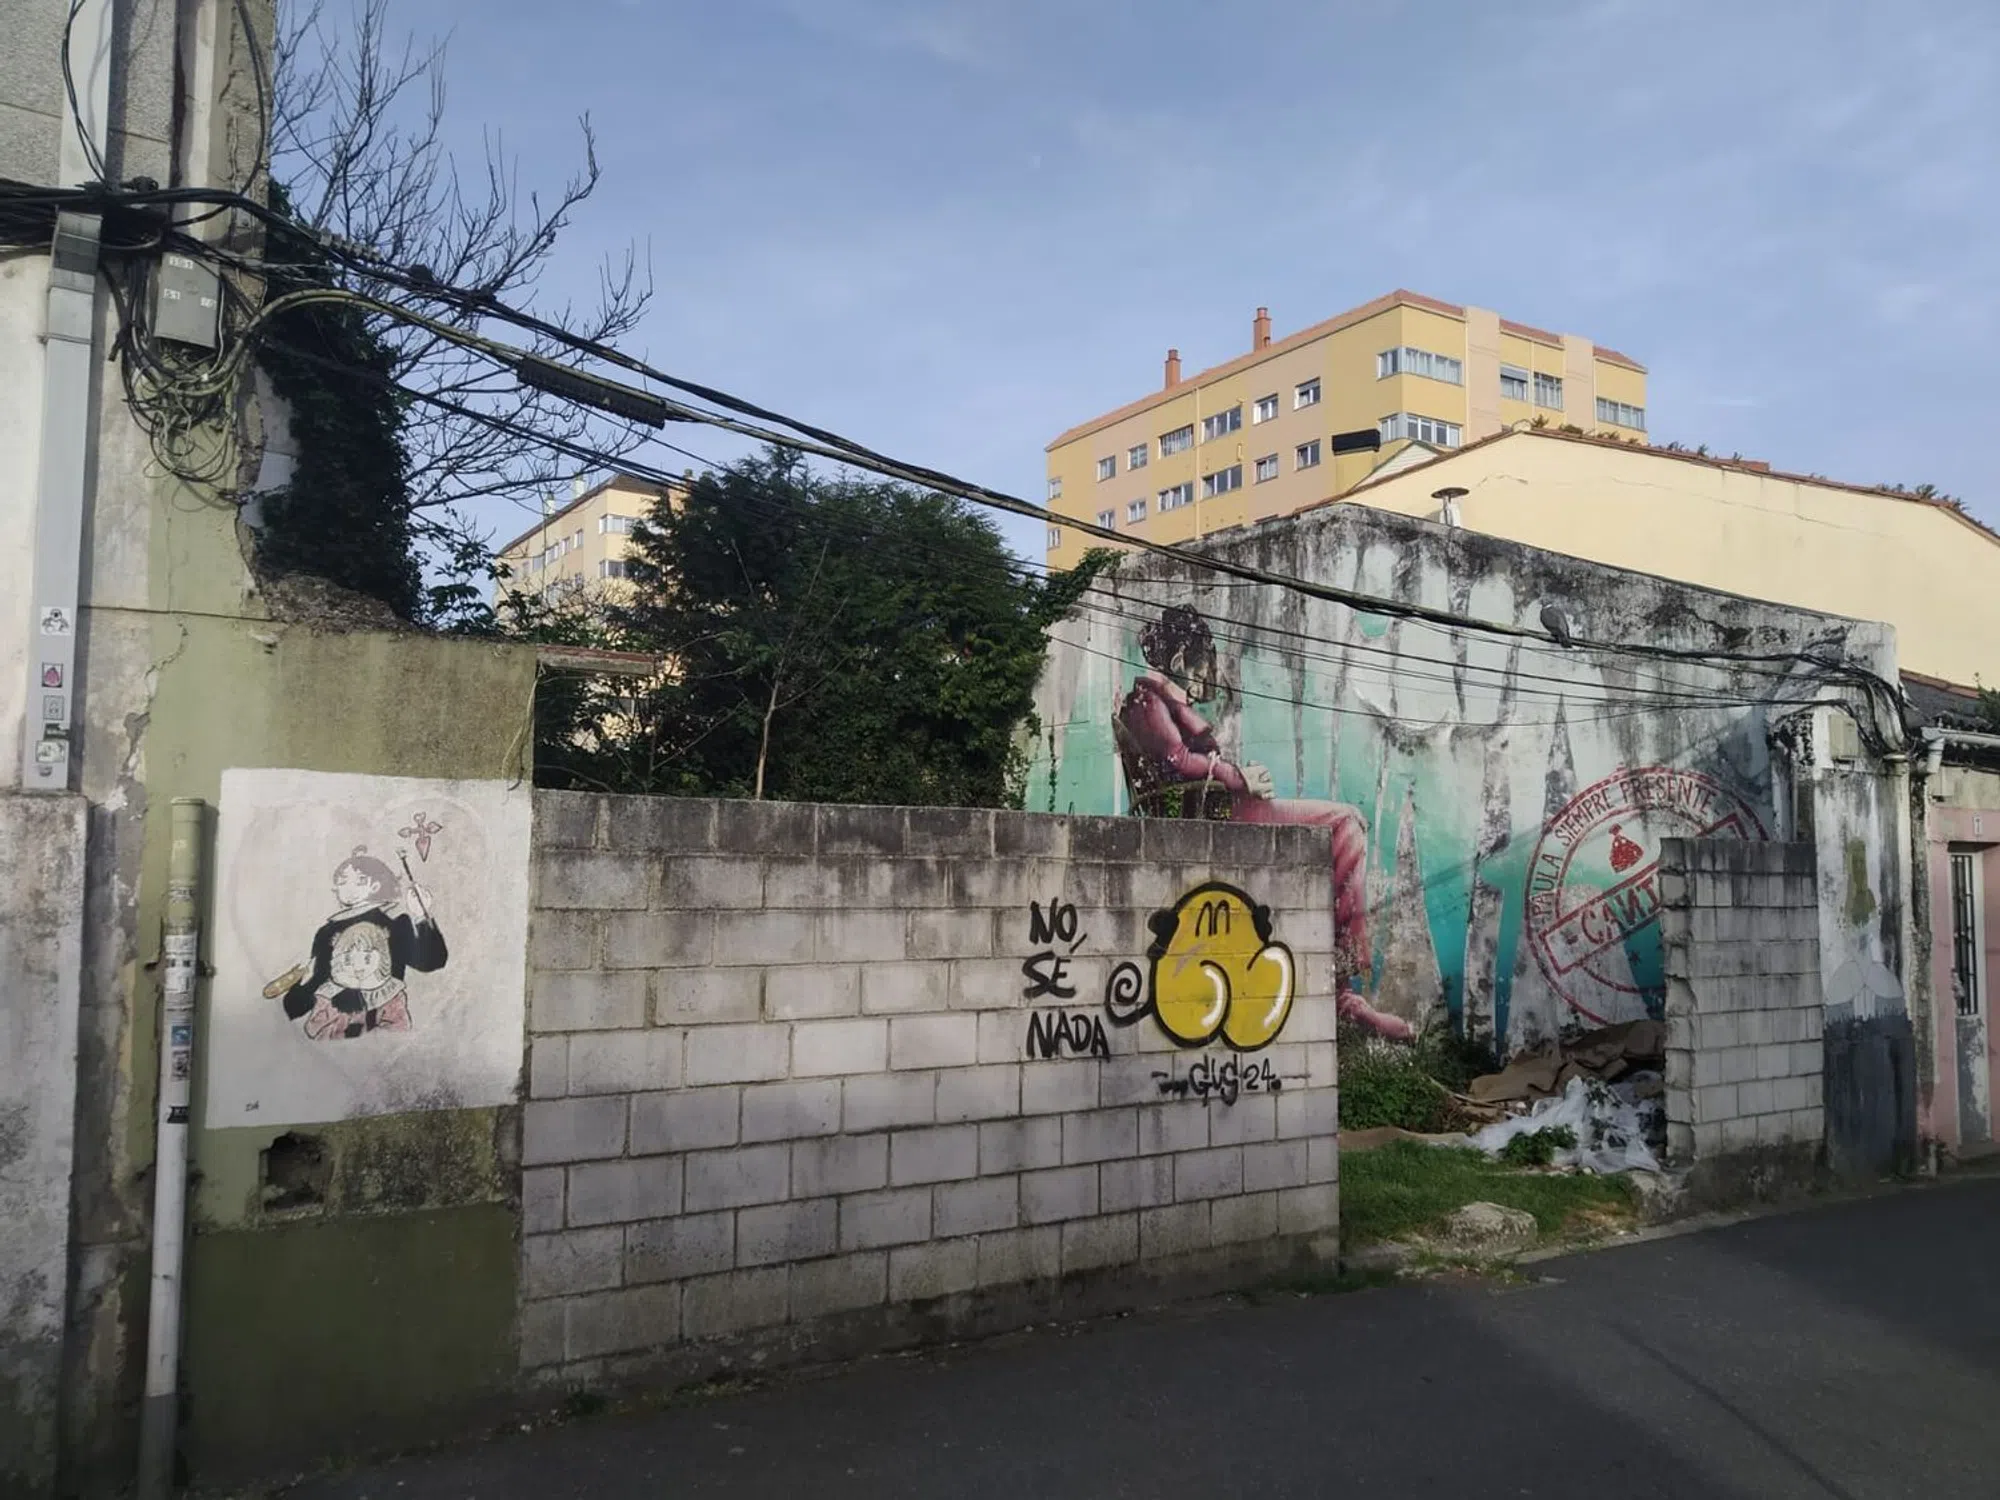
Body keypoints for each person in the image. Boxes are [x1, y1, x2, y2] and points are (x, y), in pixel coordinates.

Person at [1115, 605, 1413, 1042]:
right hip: (1213, 815)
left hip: (1218, 807)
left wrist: (1241, 778)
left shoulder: (1154, 702)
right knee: (1345, 824)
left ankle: (1342, 996)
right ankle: (1346, 970)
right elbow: (1176, 761)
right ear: (1180, 661)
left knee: (1334, 835)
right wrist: (1237, 776)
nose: (1203, 683)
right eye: (1200, 669)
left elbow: (1183, 761)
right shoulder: (1148, 702)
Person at [274, 848, 447, 1039]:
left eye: (358, 880)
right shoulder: (326, 933)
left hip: (384, 1015)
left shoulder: (396, 925)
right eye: (341, 881)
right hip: (335, 1019)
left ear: (374, 885)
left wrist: (421, 917)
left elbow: (431, 962)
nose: (345, 886)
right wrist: (295, 998)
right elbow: (319, 979)